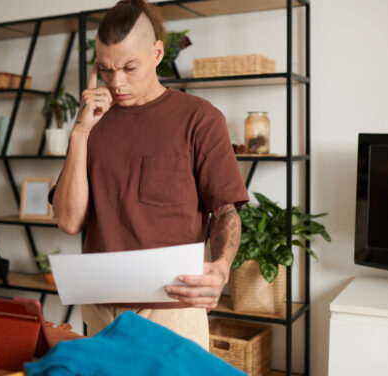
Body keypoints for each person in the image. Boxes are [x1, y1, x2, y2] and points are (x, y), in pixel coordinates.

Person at [50, 0, 248, 350]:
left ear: (157, 53)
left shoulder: (200, 119)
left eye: (129, 67)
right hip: (100, 308)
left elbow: (226, 211)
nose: (117, 82)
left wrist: (220, 268)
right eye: (106, 70)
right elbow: (68, 221)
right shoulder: (93, 122)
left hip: (172, 307)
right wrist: (80, 131)